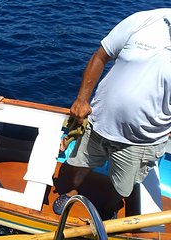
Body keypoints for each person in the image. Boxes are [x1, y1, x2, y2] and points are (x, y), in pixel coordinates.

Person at [52, 8, 171, 220]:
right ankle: (72, 191)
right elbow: (101, 56)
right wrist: (81, 100)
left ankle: (111, 206)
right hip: (99, 122)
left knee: (123, 185)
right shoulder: (144, 20)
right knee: (81, 163)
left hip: (142, 141)